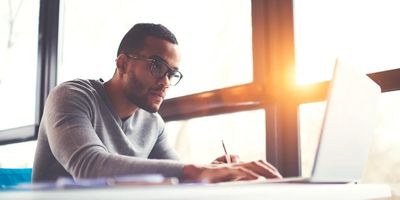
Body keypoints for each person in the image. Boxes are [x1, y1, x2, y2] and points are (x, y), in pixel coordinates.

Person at [32, 23, 282, 183]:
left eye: (172, 74)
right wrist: (194, 171)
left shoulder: (153, 124)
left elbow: (176, 173)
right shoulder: (70, 96)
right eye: (156, 66)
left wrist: (211, 172)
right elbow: (88, 166)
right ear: (122, 63)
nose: (166, 82)